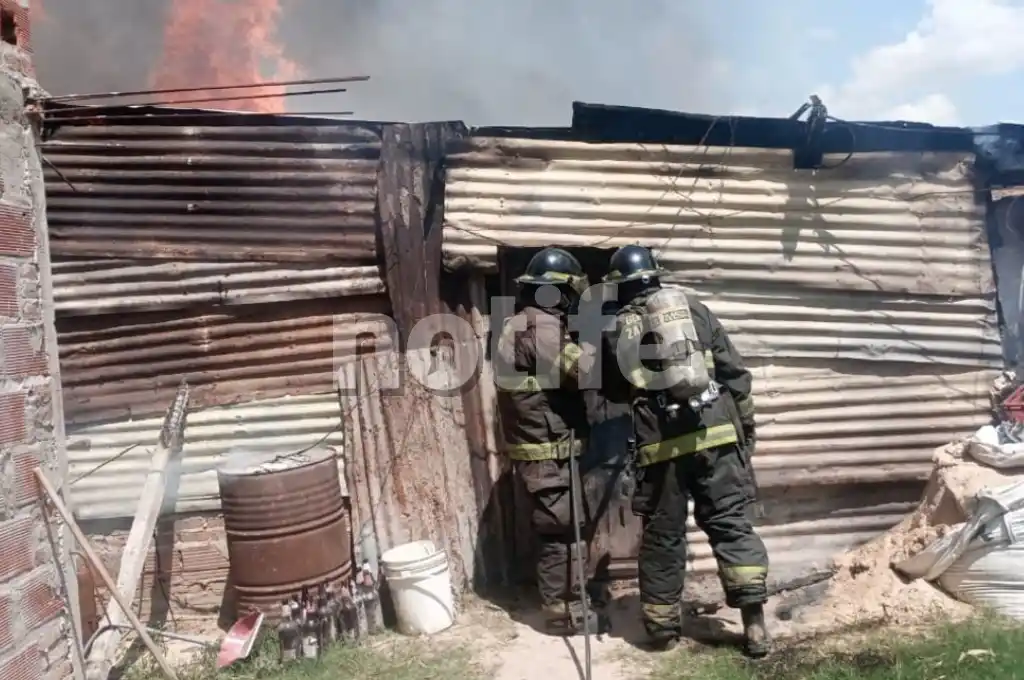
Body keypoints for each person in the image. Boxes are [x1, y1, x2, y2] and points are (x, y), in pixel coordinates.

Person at [601, 244, 771, 657]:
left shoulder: (617, 328)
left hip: (661, 450)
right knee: (731, 523)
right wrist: (744, 426)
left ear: (620, 286)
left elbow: (611, 391)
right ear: (656, 276)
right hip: (715, 437)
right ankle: (755, 627)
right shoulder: (694, 310)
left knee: (662, 538)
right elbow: (733, 371)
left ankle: (661, 631)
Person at [493, 247, 611, 633]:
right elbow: (583, 372)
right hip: (549, 454)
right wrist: (596, 333)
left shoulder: (521, 323)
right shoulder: (538, 327)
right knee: (561, 533)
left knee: (563, 528)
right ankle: (562, 613)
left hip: (548, 450)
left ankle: (568, 603)